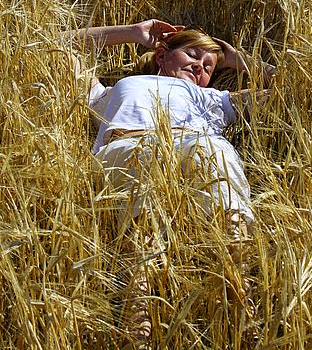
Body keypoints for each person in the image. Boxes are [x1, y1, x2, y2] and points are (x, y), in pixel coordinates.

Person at [66, 18, 275, 346]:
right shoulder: (114, 92)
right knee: (138, 237)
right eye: (192, 55)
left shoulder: (211, 99)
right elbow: (61, 47)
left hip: (196, 143)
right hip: (130, 145)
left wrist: (239, 60)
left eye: (208, 66)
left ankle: (241, 308)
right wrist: (133, 33)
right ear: (161, 56)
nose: (199, 67)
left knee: (219, 163)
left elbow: (291, 85)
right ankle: (138, 329)